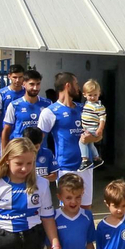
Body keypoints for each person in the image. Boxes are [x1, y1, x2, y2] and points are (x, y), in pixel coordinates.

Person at [39, 72, 92, 209]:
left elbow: (99, 135)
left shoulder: (84, 109)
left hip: (86, 165)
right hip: (65, 167)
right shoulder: (49, 112)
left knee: (86, 208)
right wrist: (45, 164)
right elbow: (38, 142)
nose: (78, 87)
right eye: (76, 84)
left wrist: (92, 137)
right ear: (68, 86)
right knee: (68, 208)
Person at [4, 69, 51, 141]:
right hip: (21, 149)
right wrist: (5, 151)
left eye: (38, 84)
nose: (35, 88)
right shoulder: (14, 105)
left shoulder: (48, 104)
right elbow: (6, 130)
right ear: (24, 84)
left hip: (40, 149)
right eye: (32, 84)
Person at [0, 64, 26, 156]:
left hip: (24, 137)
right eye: (15, 77)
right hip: (7, 136)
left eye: (20, 77)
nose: (17, 80)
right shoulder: (1, 94)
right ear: (9, 76)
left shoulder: (27, 92)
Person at [79, 78, 106, 169]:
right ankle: (97, 158)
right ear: (85, 95)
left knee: (82, 142)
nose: (93, 97)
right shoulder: (87, 104)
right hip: (87, 128)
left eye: (95, 95)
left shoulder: (98, 106)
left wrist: (100, 129)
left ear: (99, 94)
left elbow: (102, 118)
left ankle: (85, 160)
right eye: (90, 95)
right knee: (90, 144)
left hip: (93, 128)